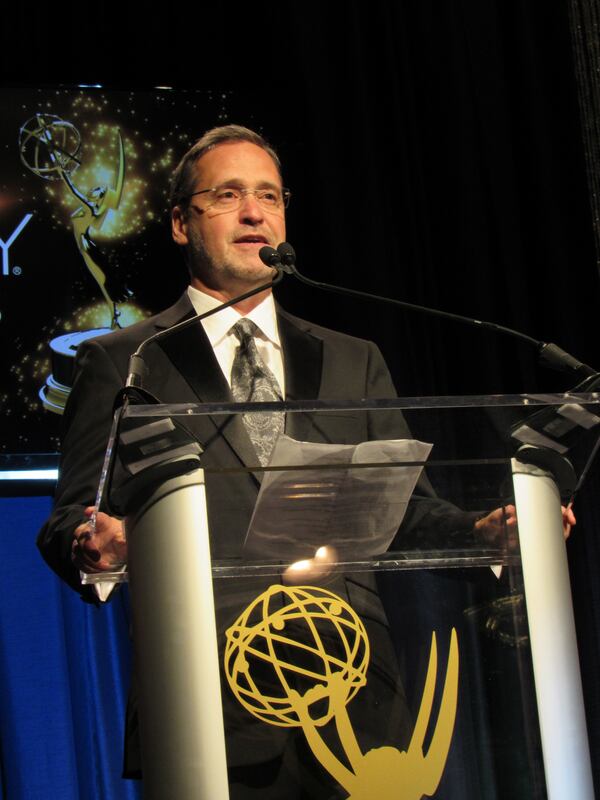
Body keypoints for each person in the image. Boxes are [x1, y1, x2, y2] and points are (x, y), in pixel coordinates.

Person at [37, 125, 574, 796]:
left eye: (269, 195)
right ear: (180, 222)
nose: (255, 212)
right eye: (227, 194)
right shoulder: (125, 360)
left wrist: (483, 532)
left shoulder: (355, 357)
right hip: (212, 707)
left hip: (357, 711)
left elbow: (407, 514)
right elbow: (69, 520)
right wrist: (100, 545)